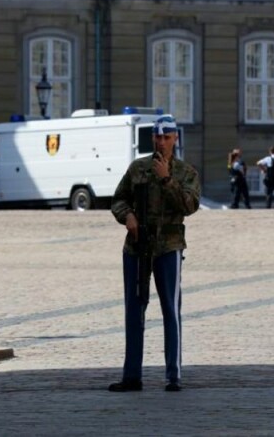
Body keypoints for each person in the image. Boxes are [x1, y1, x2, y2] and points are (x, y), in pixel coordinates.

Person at [109, 115, 200, 393]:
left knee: (171, 311)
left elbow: (189, 205)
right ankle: (131, 376)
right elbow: (118, 199)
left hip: (168, 247)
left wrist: (166, 180)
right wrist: (127, 216)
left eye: (167, 137)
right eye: (158, 137)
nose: (162, 142)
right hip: (137, 247)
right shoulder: (138, 168)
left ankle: (173, 376)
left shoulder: (186, 173)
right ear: (153, 139)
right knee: (134, 312)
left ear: (175, 139)